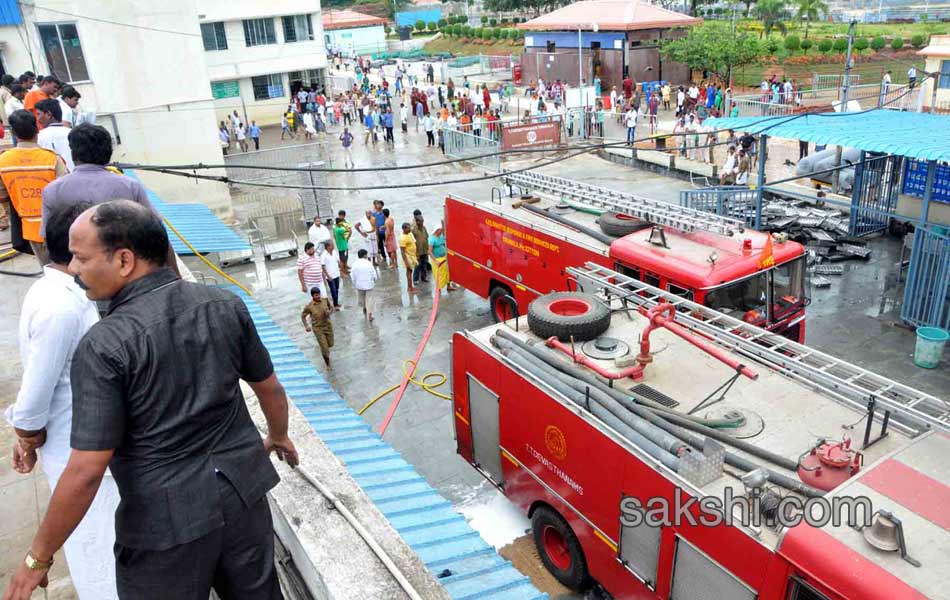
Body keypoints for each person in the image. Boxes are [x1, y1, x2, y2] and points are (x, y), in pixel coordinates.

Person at [3, 200, 298, 600]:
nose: (73, 269)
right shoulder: (224, 304)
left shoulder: (104, 347)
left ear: (124, 260)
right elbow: (270, 389)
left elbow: (86, 470)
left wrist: (38, 558)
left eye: (80, 257)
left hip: (165, 527)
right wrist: (278, 435)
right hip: (243, 497)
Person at [5, 201, 120, 600]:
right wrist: (25, 437)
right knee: (100, 551)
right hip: (79, 454)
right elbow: (35, 395)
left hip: (82, 448)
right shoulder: (61, 307)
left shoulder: (62, 294)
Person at [40, 124, 180, 276]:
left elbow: (48, 241)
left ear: (73, 153)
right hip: (124, 271)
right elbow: (157, 232)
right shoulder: (129, 186)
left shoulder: (53, 190)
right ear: (109, 152)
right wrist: (176, 277)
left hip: (76, 272)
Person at [0, 110, 67, 260]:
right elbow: (66, 192)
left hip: (30, 229)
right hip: (58, 226)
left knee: (48, 271)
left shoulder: (3, 161)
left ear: (14, 133)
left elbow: (2, 196)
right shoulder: (51, 159)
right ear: (36, 129)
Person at [36, 99, 74, 171]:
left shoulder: (39, 136)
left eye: (38, 114)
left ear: (48, 114)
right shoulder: (74, 133)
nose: (37, 119)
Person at [301, 286, 334, 368]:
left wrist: (329, 312)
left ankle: (326, 350)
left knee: (330, 344)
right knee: (324, 348)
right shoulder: (309, 306)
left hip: (328, 326)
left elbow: (331, 308)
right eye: (316, 295)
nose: (318, 296)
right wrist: (306, 326)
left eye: (319, 294)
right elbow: (303, 316)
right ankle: (328, 364)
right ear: (312, 296)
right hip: (318, 328)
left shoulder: (325, 300)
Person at [351, 248, 378, 320]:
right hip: (369, 284)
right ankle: (370, 315)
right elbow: (373, 273)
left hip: (359, 285)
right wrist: (375, 280)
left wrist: (355, 283)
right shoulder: (368, 263)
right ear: (365, 255)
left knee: (362, 298)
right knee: (369, 299)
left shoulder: (354, 264)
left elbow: (352, 275)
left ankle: (364, 308)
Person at [398, 222, 419, 294]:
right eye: (408, 228)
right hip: (408, 257)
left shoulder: (409, 234)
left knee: (410, 271)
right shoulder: (402, 238)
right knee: (409, 271)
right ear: (404, 229)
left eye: (410, 227)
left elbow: (414, 243)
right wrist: (406, 262)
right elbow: (402, 252)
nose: (410, 228)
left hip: (413, 256)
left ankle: (410, 287)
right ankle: (409, 288)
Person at [321, 240, 342, 309]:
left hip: (336, 274)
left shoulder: (334, 252)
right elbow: (323, 266)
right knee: (333, 290)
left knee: (336, 289)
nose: (333, 246)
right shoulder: (323, 255)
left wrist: (340, 265)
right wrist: (327, 276)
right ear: (327, 246)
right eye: (332, 245)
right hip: (330, 276)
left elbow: (338, 260)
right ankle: (335, 305)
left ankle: (335, 303)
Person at [410, 211, 429, 284]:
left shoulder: (424, 228)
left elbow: (426, 237)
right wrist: (416, 253)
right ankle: (415, 280)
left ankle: (424, 278)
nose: (422, 223)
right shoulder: (414, 230)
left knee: (424, 265)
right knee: (417, 266)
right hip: (418, 252)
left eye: (423, 221)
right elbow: (412, 243)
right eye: (421, 222)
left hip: (424, 250)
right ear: (417, 222)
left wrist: (427, 249)